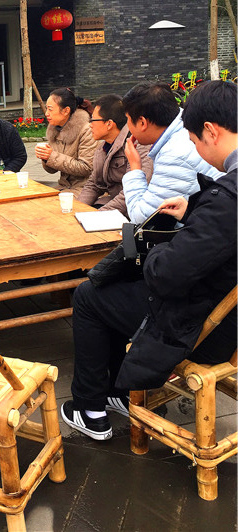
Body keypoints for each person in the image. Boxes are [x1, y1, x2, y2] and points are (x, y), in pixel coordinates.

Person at [61, 80, 237, 440]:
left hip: (207, 326)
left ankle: (89, 408)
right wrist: (193, 211)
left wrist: (156, 249)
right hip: (223, 306)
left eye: (195, 141)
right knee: (111, 286)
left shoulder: (227, 198)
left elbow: (166, 274)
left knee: (89, 295)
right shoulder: (225, 194)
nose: (196, 151)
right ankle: (118, 391)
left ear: (211, 131)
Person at [121, 82, 220, 223]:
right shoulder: (183, 129)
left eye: (128, 119)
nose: (128, 126)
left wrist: (135, 168)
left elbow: (143, 218)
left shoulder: (174, 155)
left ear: (142, 122)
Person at [78, 94, 152, 215]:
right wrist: (77, 210)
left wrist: (97, 216)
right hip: (113, 204)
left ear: (109, 124)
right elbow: (94, 184)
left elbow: (129, 194)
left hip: (132, 211)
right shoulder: (103, 148)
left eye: (93, 120)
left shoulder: (136, 145)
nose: (90, 124)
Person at [35, 87, 98, 194]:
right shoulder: (55, 129)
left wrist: (52, 156)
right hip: (64, 186)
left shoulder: (87, 130)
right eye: (46, 109)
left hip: (86, 188)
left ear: (65, 111)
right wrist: (45, 158)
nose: (46, 113)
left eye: (50, 109)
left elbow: (86, 168)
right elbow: (52, 170)